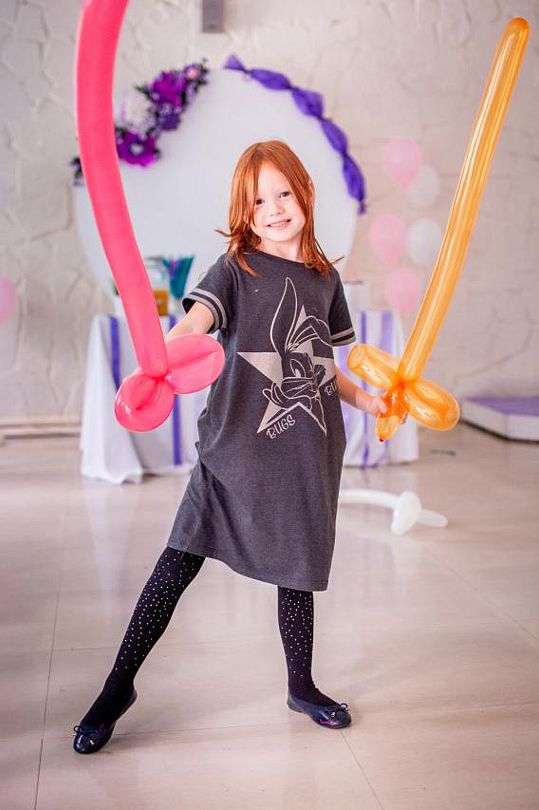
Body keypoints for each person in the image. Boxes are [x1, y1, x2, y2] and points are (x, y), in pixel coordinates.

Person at [73, 140, 388, 754]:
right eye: (258, 201)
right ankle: (117, 686)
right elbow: (196, 324)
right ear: (243, 212)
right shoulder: (235, 269)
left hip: (307, 454)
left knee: (297, 573)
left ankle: (301, 685)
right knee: (174, 566)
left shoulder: (325, 279)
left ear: (305, 193)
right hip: (234, 451)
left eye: (283, 194)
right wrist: (163, 352)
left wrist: (367, 400)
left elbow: (323, 365)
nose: (273, 209)